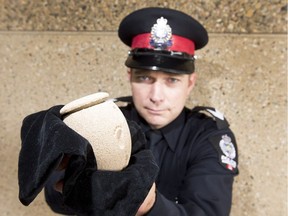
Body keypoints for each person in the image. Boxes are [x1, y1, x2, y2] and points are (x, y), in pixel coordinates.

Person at [20, 7, 238, 216]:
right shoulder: (105, 121)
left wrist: (150, 206)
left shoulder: (207, 136)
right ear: (129, 77)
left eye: (172, 80)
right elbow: (55, 197)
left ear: (190, 83)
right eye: (144, 78)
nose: (156, 96)